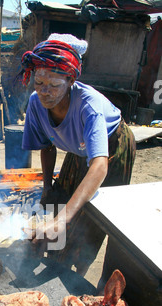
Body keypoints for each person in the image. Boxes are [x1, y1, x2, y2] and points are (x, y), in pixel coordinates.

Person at [20, 33, 136, 276]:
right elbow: (46, 145)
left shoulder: (89, 106)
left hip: (112, 148)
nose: (45, 92)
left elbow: (99, 166)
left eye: (54, 85)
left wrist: (62, 220)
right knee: (58, 200)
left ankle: (79, 269)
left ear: (71, 80)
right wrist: (46, 185)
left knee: (92, 216)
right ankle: (56, 257)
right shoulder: (35, 103)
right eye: (39, 83)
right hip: (79, 150)